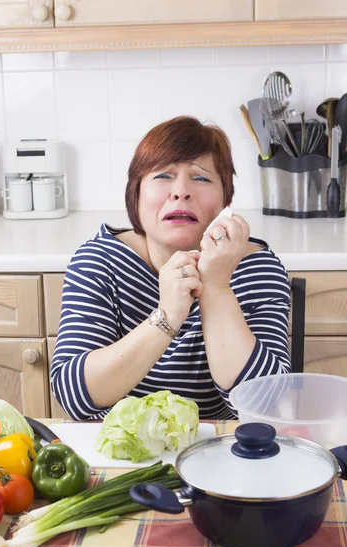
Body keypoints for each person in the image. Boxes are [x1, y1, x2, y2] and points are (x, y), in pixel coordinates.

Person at [51, 116, 291, 421]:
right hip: (119, 457)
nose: (181, 192)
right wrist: (167, 316)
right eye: (163, 175)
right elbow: (74, 398)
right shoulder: (100, 261)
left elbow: (267, 406)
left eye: (201, 178)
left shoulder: (256, 269)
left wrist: (216, 287)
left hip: (218, 450)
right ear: (136, 194)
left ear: (225, 201)